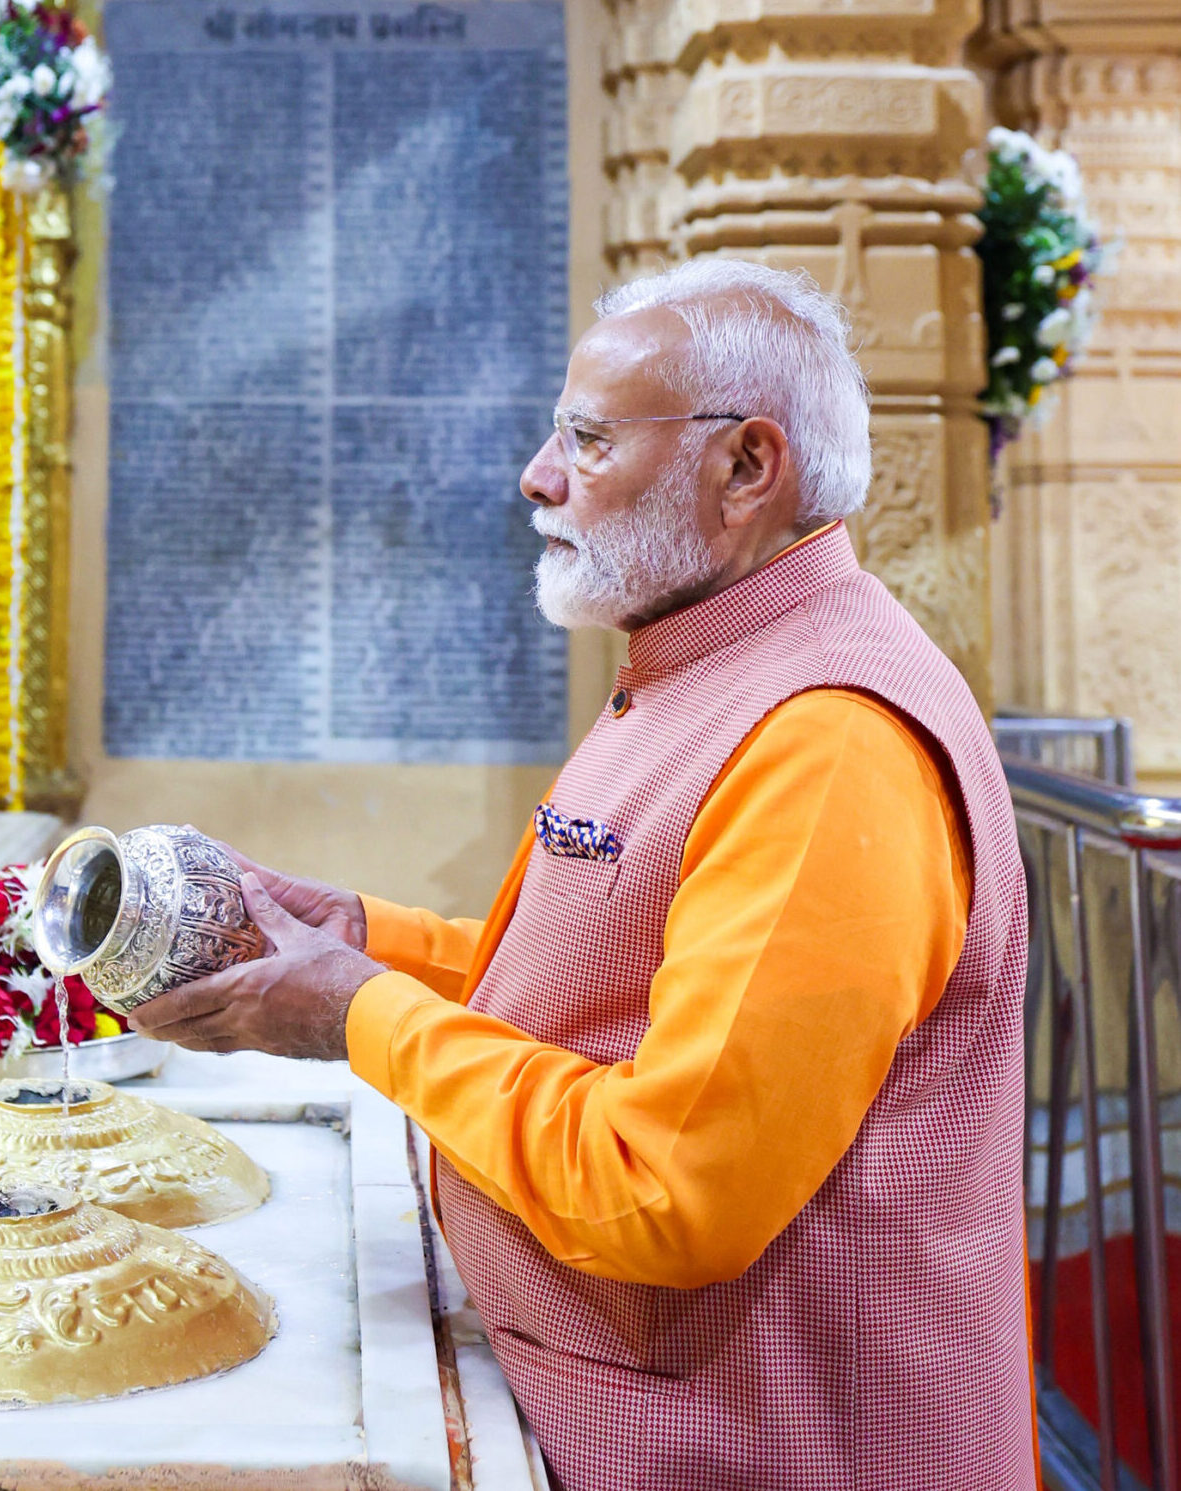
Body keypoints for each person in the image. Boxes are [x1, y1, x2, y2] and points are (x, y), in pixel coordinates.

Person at [129, 261, 1033, 1488]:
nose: (539, 477)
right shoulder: (708, 657)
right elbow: (612, 986)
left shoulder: (829, 741)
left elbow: (670, 1190)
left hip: (774, 1445)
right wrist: (352, 932)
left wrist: (354, 1011)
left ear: (747, 469)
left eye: (590, 441)